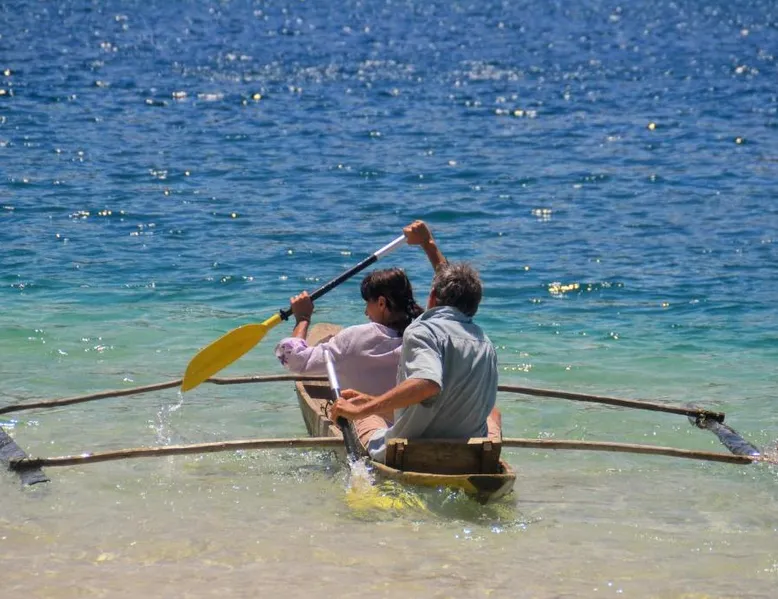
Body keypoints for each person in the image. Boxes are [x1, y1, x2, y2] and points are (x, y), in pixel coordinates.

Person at [330, 262, 500, 463]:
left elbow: (427, 383)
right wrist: (370, 400)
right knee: (492, 413)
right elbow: (438, 403)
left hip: (414, 453)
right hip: (468, 456)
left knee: (364, 418)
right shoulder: (485, 342)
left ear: (432, 297)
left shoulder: (423, 331)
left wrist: (361, 410)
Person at [273, 220, 445, 397]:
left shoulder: (355, 340)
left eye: (367, 303)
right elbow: (450, 293)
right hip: (412, 412)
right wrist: (428, 243)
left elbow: (295, 360)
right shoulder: (427, 334)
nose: (365, 312)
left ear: (381, 303)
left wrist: (302, 318)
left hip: (370, 414)